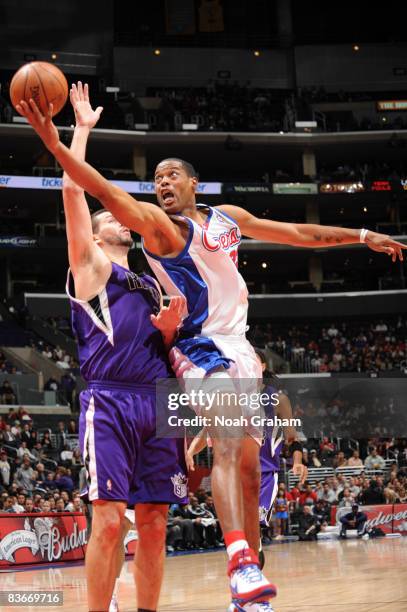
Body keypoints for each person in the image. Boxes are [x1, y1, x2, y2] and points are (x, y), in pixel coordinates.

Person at [18, 92, 406, 612]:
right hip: (193, 354)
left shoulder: (225, 219)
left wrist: (361, 234)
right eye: (155, 178)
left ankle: (248, 583)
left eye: (171, 174)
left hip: (229, 354)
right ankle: (238, 563)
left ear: (194, 183)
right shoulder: (156, 230)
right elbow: (103, 194)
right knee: (217, 448)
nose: (161, 182)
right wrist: (55, 141)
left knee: (248, 470)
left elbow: (299, 234)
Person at [20, 83, 187, 612]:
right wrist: (82, 129)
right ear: (91, 235)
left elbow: (164, 342)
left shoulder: (148, 278)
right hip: (111, 399)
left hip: (159, 398)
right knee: (111, 517)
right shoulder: (90, 268)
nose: (118, 218)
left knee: (157, 520)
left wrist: (171, 328)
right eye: (107, 218)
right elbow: (75, 192)